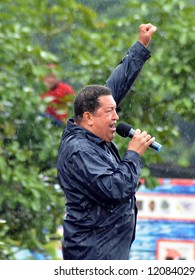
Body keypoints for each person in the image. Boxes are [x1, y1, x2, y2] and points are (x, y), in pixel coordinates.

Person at [57, 23, 157, 260]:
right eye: (110, 112)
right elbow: (116, 189)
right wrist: (133, 154)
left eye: (116, 110)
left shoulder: (91, 130)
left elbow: (114, 86)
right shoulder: (79, 150)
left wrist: (140, 46)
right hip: (92, 257)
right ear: (89, 117)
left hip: (108, 252)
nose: (116, 117)